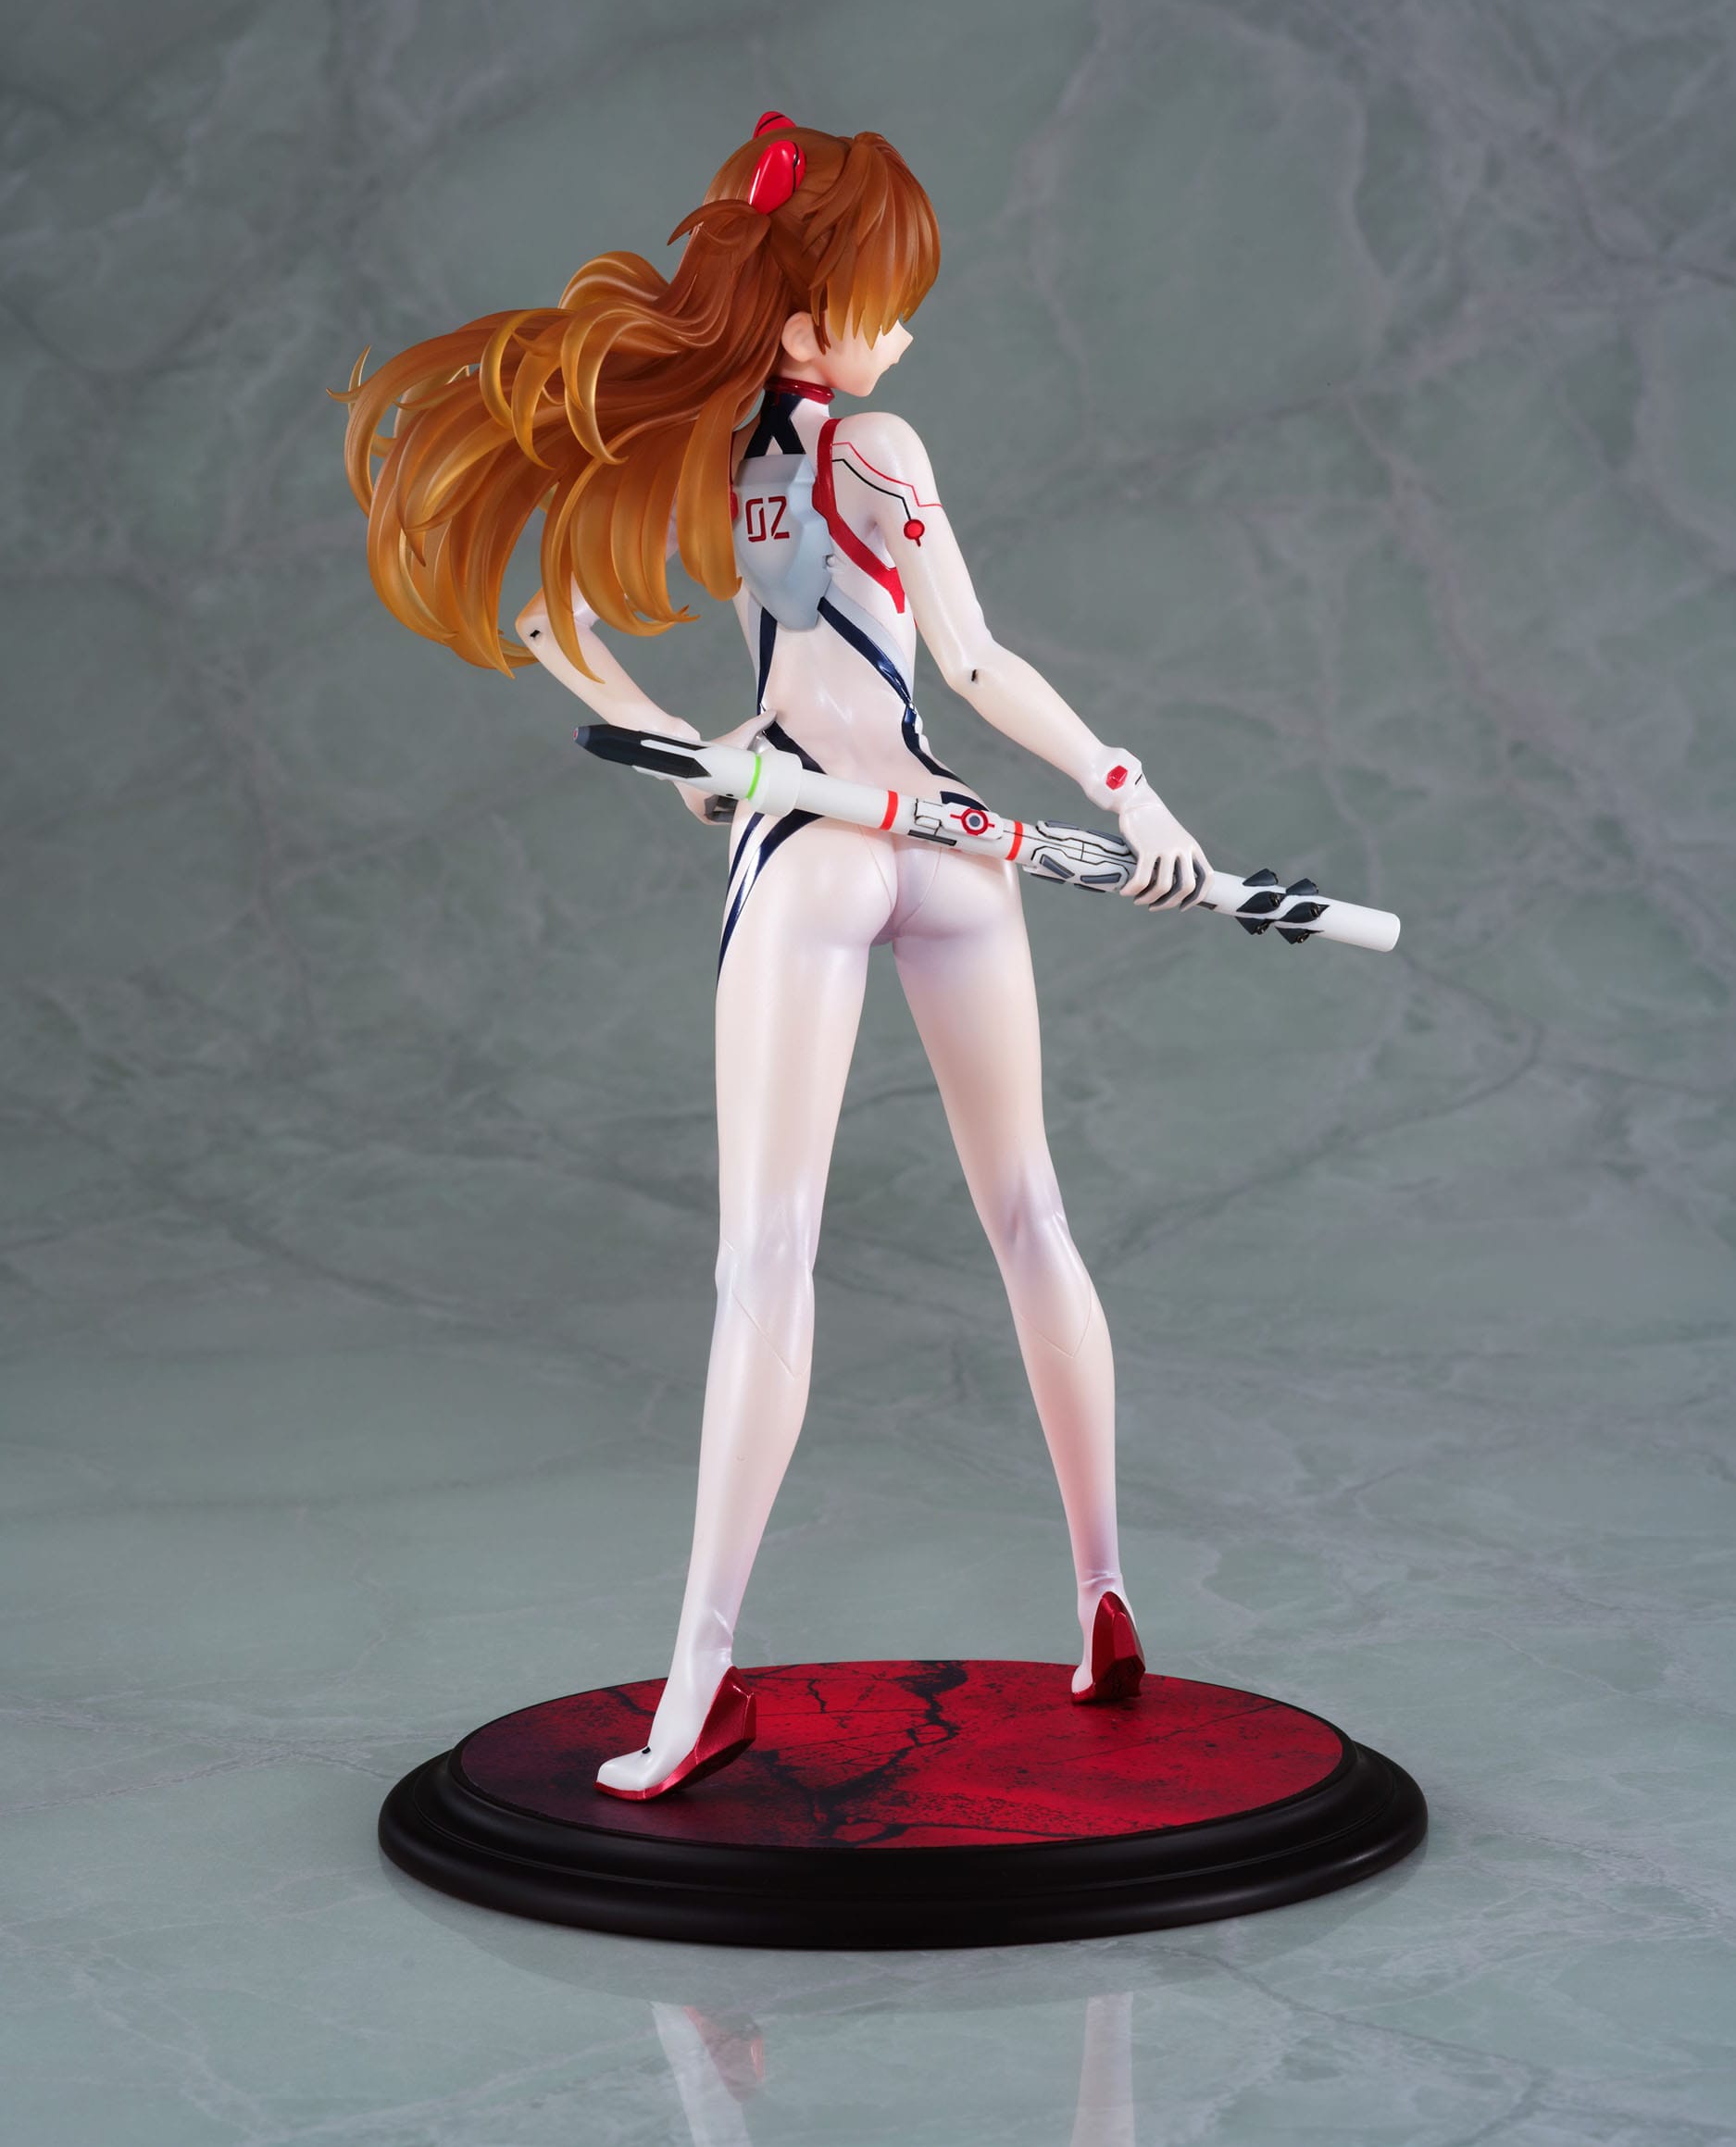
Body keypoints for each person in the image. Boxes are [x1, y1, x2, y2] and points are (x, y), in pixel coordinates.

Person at [341, 115, 1210, 1800]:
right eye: (885, 306)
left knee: (769, 1264)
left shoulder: (716, 454)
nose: (906, 335)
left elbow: (556, 623)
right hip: (946, 843)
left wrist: (695, 748)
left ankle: (701, 1684)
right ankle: (1104, 1592)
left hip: (810, 850)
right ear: (811, 319)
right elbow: (972, 660)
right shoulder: (879, 447)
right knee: (1030, 1219)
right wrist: (1133, 790)